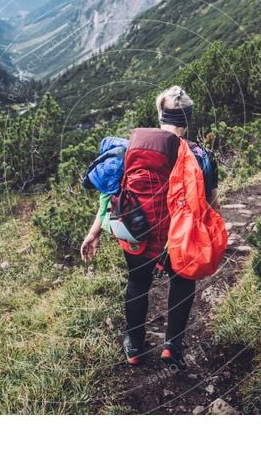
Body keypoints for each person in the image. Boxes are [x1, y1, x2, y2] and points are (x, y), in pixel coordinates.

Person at [80, 86, 221, 369]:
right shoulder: (200, 156)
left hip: (137, 235)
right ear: (187, 119)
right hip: (178, 240)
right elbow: (211, 204)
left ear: (160, 116)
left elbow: (109, 194)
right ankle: (173, 346)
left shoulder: (130, 149)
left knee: (137, 283)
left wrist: (94, 231)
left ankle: (134, 345)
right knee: (182, 282)